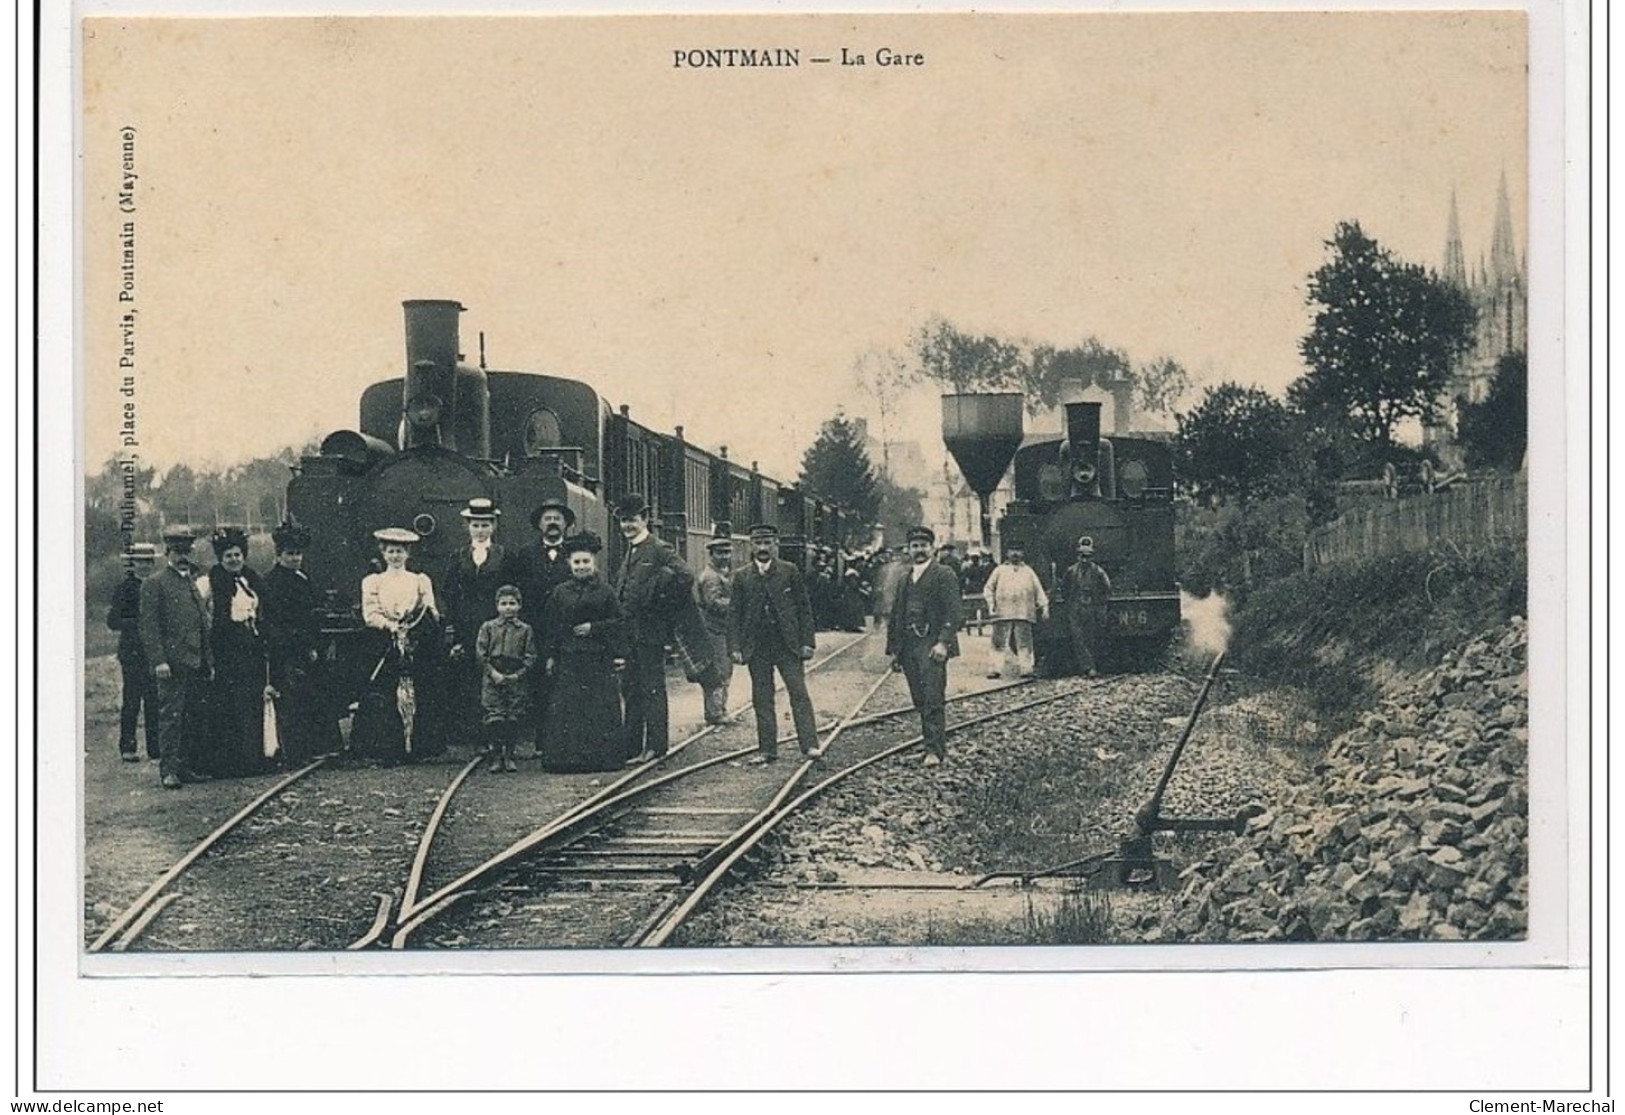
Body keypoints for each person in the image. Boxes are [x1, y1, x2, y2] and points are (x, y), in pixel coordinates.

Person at [730, 523, 820, 764]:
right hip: (757, 646)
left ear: (776, 544)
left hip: (787, 645)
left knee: (798, 693)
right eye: (758, 543)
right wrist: (736, 647)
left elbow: (804, 609)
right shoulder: (741, 576)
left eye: (767, 543)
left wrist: (807, 642)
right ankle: (767, 749)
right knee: (762, 697)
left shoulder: (789, 571)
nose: (762, 548)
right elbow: (734, 615)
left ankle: (810, 745)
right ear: (751, 545)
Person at [539, 532, 630, 772]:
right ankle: (567, 761)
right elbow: (551, 625)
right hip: (569, 658)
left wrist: (594, 628)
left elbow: (620, 622)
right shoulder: (560, 592)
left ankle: (601, 759)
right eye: (577, 562)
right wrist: (550, 655)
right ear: (569, 564)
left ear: (594, 563)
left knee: (598, 709)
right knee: (569, 709)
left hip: (598, 658)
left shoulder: (605, 592)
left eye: (586, 562)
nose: (581, 567)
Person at [612, 493, 692, 765]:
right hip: (632, 632)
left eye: (632, 520)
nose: (627, 526)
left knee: (652, 688)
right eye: (623, 521)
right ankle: (631, 747)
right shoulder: (632, 549)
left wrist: (660, 603)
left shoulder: (657, 547)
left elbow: (684, 576)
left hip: (650, 631)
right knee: (632, 688)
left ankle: (656, 747)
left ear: (644, 519)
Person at [352, 527, 442, 762]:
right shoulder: (373, 582)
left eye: (400, 551)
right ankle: (388, 748)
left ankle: (419, 746)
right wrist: (391, 626)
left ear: (407, 554)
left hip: (415, 641)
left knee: (418, 689)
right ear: (383, 553)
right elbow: (369, 615)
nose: (395, 556)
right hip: (384, 642)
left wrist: (413, 626)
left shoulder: (420, 580)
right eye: (391, 551)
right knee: (384, 692)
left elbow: (431, 610)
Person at [259, 521, 341, 765]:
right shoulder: (273, 582)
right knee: (294, 700)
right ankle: (296, 752)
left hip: (307, 645)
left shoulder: (302, 578)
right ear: (279, 555)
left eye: (298, 554)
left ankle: (319, 747)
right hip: (288, 647)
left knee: (312, 696)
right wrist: (304, 645)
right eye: (290, 554)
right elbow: (279, 620)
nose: (295, 558)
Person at [139, 527, 211, 789]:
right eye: (177, 552)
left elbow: (202, 624)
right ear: (167, 553)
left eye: (186, 552)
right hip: (172, 664)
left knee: (191, 716)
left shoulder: (190, 582)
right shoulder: (154, 583)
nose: (183, 556)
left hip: (195, 662)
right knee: (171, 717)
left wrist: (208, 660)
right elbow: (149, 627)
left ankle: (185, 767)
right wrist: (159, 660)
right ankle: (168, 770)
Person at [886, 525, 962, 768]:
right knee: (919, 698)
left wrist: (943, 642)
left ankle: (935, 751)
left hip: (931, 644)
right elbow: (897, 614)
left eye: (923, 546)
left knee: (932, 696)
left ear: (932, 548)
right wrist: (895, 651)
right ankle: (929, 742)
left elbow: (954, 611)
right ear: (909, 549)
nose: (919, 550)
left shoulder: (944, 574)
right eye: (915, 546)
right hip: (909, 645)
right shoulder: (905, 578)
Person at [441, 498, 516, 737]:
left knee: (495, 672)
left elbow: (512, 589)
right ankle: (470, 730)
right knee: (469, 674)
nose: (481, 530)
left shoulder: (504, 556)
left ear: (493, 526)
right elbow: (449, 592)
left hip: (496, 624)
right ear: (468, 526)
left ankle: (495, 732)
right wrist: (453, 624)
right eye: (476, 525)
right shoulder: (458, 556)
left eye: (485, 525)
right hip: (467, 624)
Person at [204, 526, 272, 777]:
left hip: (251, 647)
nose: (234, 560)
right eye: (228, 556)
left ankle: (255, 757)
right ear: (221, 559)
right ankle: (232, 762)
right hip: (227, 648)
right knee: (230, 704)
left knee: (253, 703)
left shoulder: (252, 580)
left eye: (237, 555)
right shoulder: (211, 582)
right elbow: (207, 616)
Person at [514, 489, 576, 753]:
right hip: (536, 629)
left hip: (567, 628)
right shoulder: (526, 554)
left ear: (565, 524)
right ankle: (542, 740)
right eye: (547, 518)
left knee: (566, 682)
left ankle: (564, 739)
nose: (552, 523)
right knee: (539, 684)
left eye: (557, 518)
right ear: (540, 524)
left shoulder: (575, 553)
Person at [476, 584, 538, 774]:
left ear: (519, 606)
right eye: (504, 604)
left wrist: (517, 675)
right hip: (493, 675)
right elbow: (480, 653)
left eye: (512, 603)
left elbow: (530, 655)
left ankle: (509, 756)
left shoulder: (525, 629)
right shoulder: (488, 627)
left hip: (515, 676)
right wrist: (492, 672)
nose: (508, 607)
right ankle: (495, 756)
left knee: (512, 716)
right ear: (497, 606)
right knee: (494, 716)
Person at [106, 542, 158, 762]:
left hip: (154, 652)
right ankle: (128, 746)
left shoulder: (157, 585)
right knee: (132, 700)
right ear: (132, 563)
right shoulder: (125, 588)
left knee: (154, 700)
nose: (144, 566)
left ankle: (155, 748)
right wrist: (138, 623)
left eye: (148, 561)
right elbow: (113, 621)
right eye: (140, 561)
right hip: (132, 652)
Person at [982, 545, 1049, 679]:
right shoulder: (999, 570)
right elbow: (988, 588)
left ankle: (1026, 668)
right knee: (998, 642)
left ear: (1022, 553)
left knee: (1025, 642)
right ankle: (995, 669)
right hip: (1002, 611)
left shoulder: (1028, 571)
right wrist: (991, 604)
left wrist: (1044, 607)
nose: (1015, 554)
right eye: (1012, 551)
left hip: (1023, 611)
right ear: (1007, 553)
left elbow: (1038, 590)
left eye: (1018, 551)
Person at [694, 522, 736, 725]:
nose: (725, 556)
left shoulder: (721, 574)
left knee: (722, 671)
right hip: (715, 631)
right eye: (720, 553)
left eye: (727, 552)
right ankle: (716, 713)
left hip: (720, 630)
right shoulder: (711, 577)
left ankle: (718, 710)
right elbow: (714, 604)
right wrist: (737, 604)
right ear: (712, 555)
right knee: (719, 672)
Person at [1061, 535, 1113, 678]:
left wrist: (1100, 603)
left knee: (1091, 637)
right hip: (1075, 606)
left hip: (1092, 606)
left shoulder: (1098, 571)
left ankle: (1090, 665)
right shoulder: (1071, 571)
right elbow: (1065, 588)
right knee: (1078, 638)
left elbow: (1107, 587)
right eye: (1082, 556)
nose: (1084, 559)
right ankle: (1088, 667)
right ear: (1078, 556)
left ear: (1092, 557)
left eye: (1087, 556)